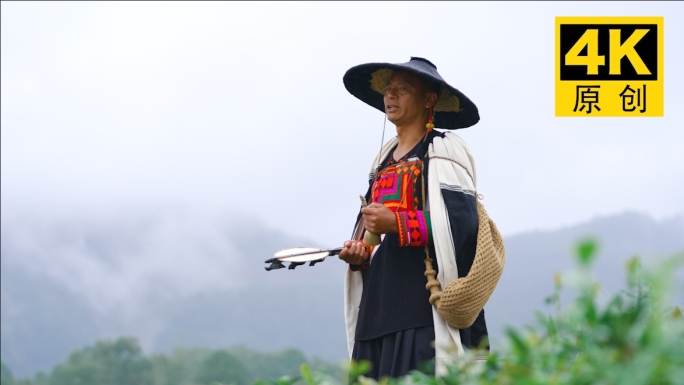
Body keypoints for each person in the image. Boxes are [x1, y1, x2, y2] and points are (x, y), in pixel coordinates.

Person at [339, 57, 489, 379]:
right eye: (388, 89)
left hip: (421, 308)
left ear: (429, 100)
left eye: (402, 89)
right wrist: (359, 255)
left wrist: (397, 224)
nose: (391, 96)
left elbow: (462, 227)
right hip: (377, 308)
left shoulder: (444, 150)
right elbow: (370, 240)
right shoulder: (380, 163)